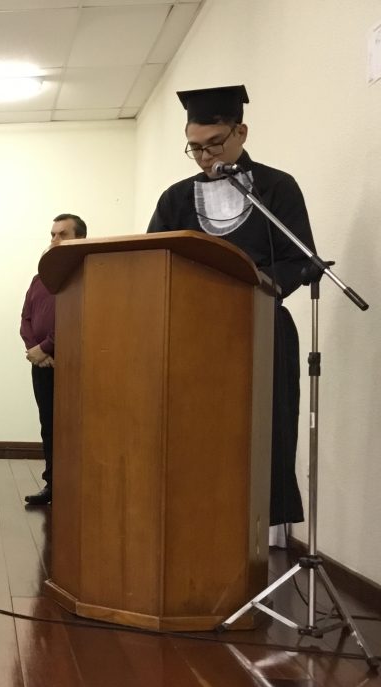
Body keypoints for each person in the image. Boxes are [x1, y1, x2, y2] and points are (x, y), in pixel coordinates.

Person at [147, 84, 313, 531]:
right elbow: (153, 263)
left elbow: (300, 259)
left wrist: (254, 286)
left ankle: (262, 534)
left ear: (241, 132)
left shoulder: (277, 188)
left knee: (264, 433)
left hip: (261, 330)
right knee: (195, 435)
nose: (204, 157)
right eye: (194, 147)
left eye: (214, 144)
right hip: (193, 337)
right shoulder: (176, 199)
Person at [21, 214, 87, 507]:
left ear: (80, 239)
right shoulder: (39, 279)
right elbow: (26, 318)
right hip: (42, 366)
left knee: (74, 426)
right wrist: (35, 350)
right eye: (52, 234)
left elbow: (77, 318)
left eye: (63, 234)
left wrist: (46, 346)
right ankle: (53, 485)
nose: (55, 240)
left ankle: (77, 488)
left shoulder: (85, 274)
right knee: (48, 425)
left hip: (73, 364)